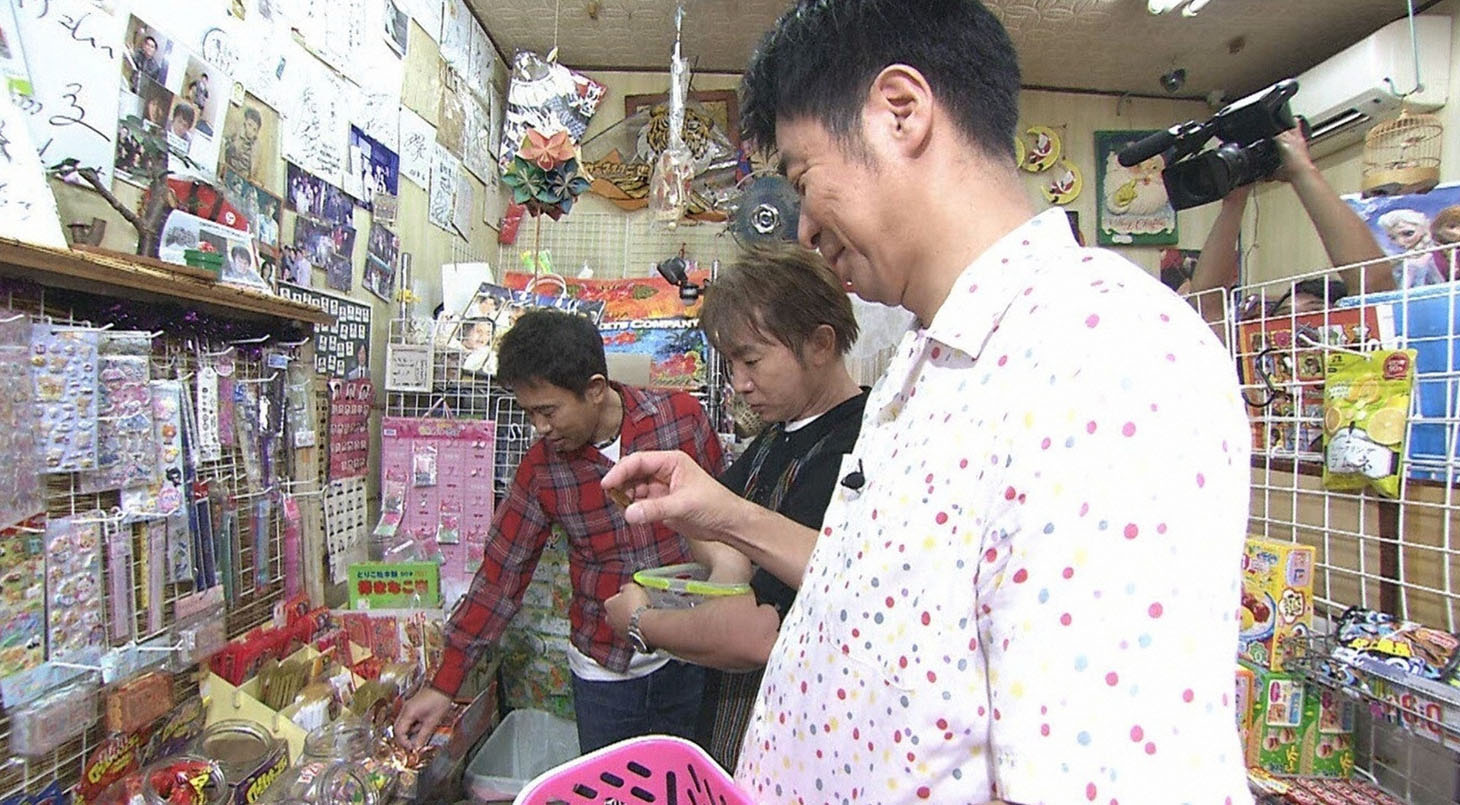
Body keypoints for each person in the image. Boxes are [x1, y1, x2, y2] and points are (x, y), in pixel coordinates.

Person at [600, 2, 1254, 802]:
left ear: (900, 112)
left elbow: (1105, 777)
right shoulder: (928, 362)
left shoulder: (1105, 353)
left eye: (805, 181)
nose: (803, 227)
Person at [394, 310, 726, 754]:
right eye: (529, 413)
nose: (540, 428)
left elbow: (728, 523)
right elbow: (500, 578)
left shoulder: (680, 421)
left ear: (594, 389)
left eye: (548, 411)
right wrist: (443, 685)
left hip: (690, 653)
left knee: (685, 786)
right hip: (605, 673)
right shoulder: (541, 470)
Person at [603, 244, 867, 771]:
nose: (740, 383)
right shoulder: (777, 436)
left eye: (752, 360)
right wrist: (728, 563)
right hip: (737, 733)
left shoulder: (851, 450)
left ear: (820, 344)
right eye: (731, 363)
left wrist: (640, 623)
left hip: (801, 748)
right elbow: (714, 522)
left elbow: (754, 635)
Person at [1183, 126, 1393, 316]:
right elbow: (1205, 305)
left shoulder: (1366, 345)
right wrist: (1234, 202)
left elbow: (1373, 285)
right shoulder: (1257, 355)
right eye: (1284, 315)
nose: (1297, 323)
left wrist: (1301, 171)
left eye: (1315, 312)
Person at [1378, 208, 1447, 288]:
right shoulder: (1401, 259)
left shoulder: (1438, 252)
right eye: (1393, 238)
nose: (1400, 241)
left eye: (1408, 234)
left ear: (1423, 228)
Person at [225, 106, 263, 177]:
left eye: (254, 129)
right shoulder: (236, 133)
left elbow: (253, 168)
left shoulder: (256, 146)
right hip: (229, 169)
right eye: (249, 125)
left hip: (243, 175)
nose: (250, 131)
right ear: (245, 122)